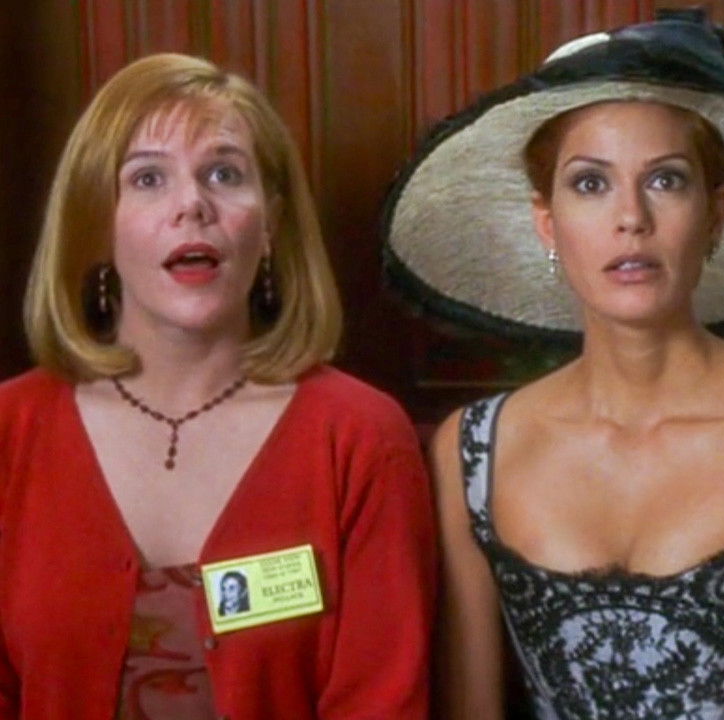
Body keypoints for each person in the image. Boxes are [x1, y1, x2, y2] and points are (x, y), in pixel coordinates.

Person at [383, 11, 724, 719]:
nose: (631, 218)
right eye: (591, 184)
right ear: (547, 223)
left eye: (666, 180)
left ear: (716, 214)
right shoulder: (471, 451)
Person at [0, 53, 435, 718]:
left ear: (272, 224)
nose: (192, 205)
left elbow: (383, 701)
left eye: (224, 174)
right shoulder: (12, 430)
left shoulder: (359, 438)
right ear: (96, 223)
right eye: (148, 178)